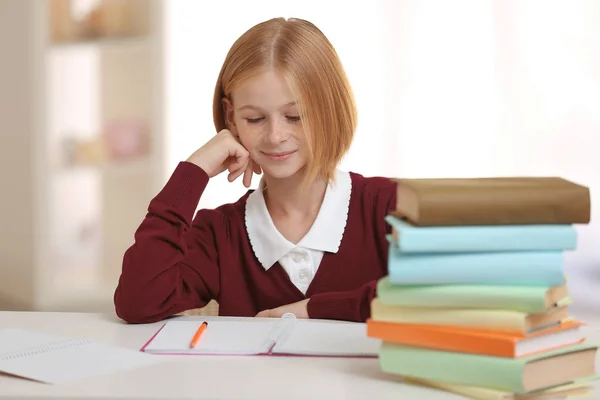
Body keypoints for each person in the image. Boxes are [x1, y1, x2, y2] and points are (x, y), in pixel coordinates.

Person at [114, 17, 396, 324]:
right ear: (231, 118)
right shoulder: (219, 234)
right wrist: (193, 171)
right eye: (255, 120)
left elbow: (442, 296)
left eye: (295, 116)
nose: (275, 136)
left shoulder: (389, 206)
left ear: (329, 110)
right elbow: (138, 302)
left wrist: (314, 309)